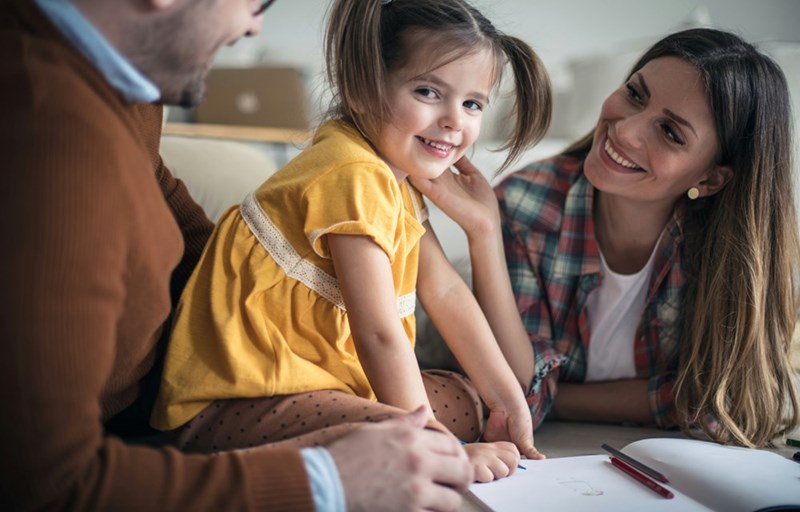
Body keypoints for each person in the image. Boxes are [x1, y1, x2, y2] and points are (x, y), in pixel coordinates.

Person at [0, 0, 478, 510]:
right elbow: (47, 482)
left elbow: (157, 187)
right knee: (412, 441)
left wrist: (250, 295)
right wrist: (325, 480)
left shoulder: (126, 82)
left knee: (462, 400)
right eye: (255, 3)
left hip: (201, 371)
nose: (254, 27)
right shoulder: (48, 128)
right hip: (161, 416)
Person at [151, 0, 551, 481]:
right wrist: (435, 447)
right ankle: (404, 446)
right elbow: (378, 333)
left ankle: (403, 430)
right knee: (394, 432)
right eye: (428, 91)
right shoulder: (353, 172)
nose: (453, 120)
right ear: (362, 89)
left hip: (313, 381)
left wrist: (507, 397)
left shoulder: (392, 177)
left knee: (470, 399)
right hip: (235, 401)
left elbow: (445, 291)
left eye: (472, 103)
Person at [412, 27, 800, 449]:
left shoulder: (736, 254)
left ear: (710, 179)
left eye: (670, 133)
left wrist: (557, 396)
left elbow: (731, 403)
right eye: (635, 94)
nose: (626, 131)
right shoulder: (528, 204)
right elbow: (516, 390)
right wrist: (484, 233)